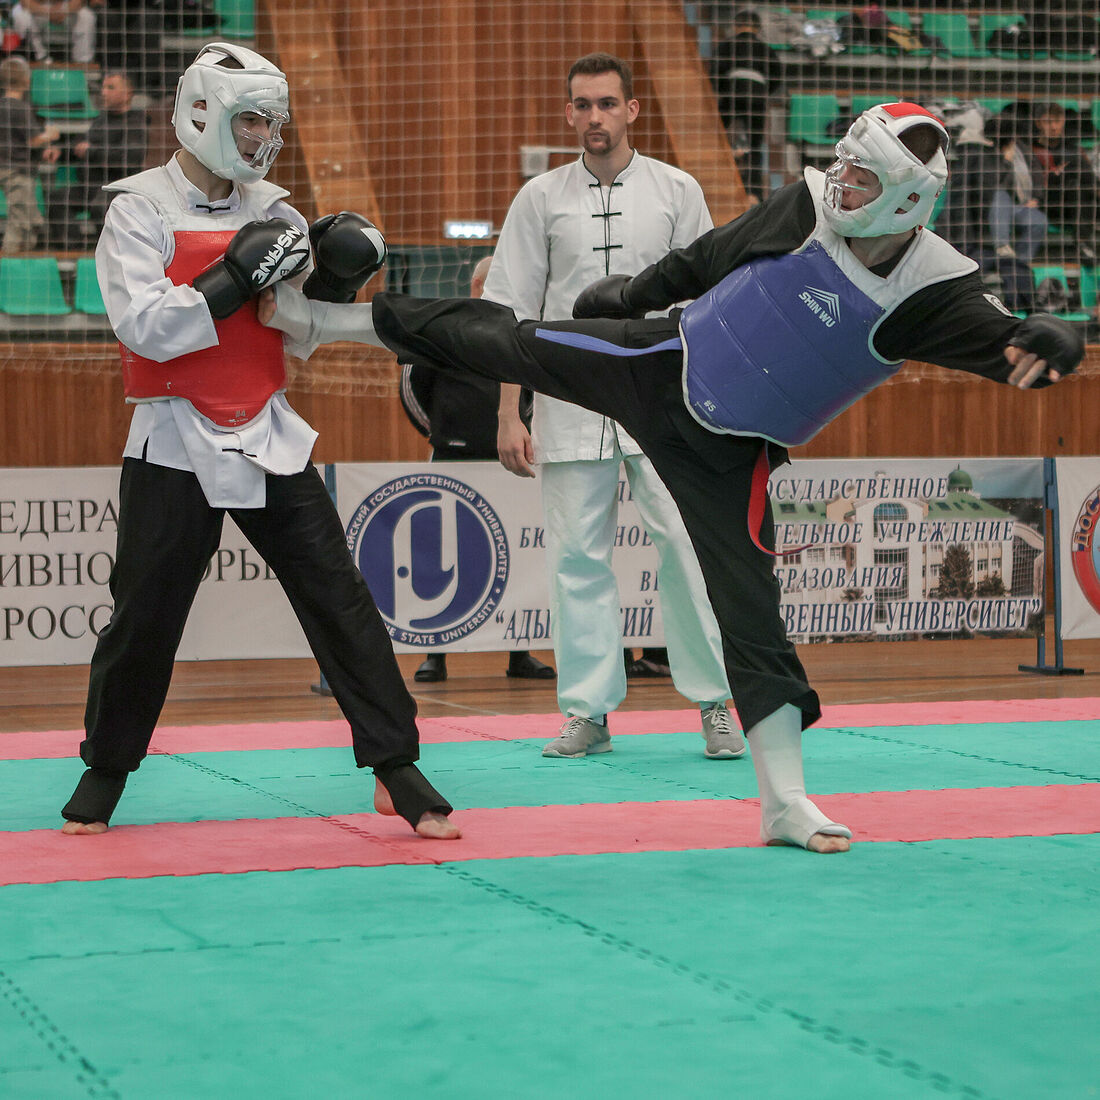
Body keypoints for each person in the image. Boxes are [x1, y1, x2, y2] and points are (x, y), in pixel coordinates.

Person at [259, 101, 1083, 852]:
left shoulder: (933, 290)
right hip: (662, 362)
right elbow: (708, 257)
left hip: (734, 456)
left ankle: (785, 802)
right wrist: (631, 294)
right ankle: (321, 320)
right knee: (505, 340)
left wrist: (1057, 338)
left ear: (905, 200)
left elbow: (1013, 340)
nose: (840, 179)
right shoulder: (805, 205)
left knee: (753, 619)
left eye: (860, 175)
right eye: (841, 160)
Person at [59, 42, 459, 841]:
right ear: (200, 112)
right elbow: (144, 326)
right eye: (250, 121)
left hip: (265, 431)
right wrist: (233, 278)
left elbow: (298, 329)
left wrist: (338, 281)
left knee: (338, 598)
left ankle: (397, 767)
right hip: (172, 437)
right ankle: (105, 769)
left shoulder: (275, 211)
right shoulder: (136, 209)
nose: (262, 139)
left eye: (273, 125)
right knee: (144, 616)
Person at [487, 53, 737, 762]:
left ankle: (716, 701)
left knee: (686, 549)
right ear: (568, 113)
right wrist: (509, 412)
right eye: (582, 104)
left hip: (664, 396)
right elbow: (508, 310)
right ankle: (587, 711)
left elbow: (706, 303)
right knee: (575, 559)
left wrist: (712, 405)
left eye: (606, 103)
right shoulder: (539, 197)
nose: (594, 116)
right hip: (567, 397)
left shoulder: (677, 190)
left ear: (632, 110)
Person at [399, 254, 555, 684]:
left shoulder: (520, 335)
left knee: (515, 553)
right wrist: (443, 434)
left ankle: (520, 653)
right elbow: (412, 390)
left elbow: (535, 395)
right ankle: (435, 656)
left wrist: (519, 433)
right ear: (477, 286)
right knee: (439, 552)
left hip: (511, 461)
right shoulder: (442, 332)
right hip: (452, 460)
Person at [45, 69, 147, 248]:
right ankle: (74, 250)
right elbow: (81, 144)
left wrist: (92, 151)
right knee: (57, 199)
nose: (103, 92)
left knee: (101, 206)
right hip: (90, 186)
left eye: (110, 88)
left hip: (117, 186)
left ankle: (112, 251)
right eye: (103, 87)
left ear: (127, 94)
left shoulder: (136, 122)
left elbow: (129, 158)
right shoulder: (102, 119)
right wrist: (61, 151)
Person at [709, 9, 781, 202]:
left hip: (731, 95)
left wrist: (724, 90)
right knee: (755, 146)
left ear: (736, 26)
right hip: (756, 98)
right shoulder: (766, 49)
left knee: (719, 139)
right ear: (758, 28)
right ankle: (753, 193)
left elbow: (715, 72)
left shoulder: (727, 45)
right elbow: (776, 77)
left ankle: (716, 183)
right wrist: (762, 92)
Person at [1017, 101, 1100, 263]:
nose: (1054, 127)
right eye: (1048, 122)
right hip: (1045, 204)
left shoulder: (1073, 149)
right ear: (1038, 123)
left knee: (1078, 183)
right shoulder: (1029, 150)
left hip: (1074, 204)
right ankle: (1083, 243)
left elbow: (1088, 179)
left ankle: (1084, 243)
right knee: (1076, 179)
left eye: (1057, 121)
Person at [0, 55, 59, 251]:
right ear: (26, 81)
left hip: (8, 169)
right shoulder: (21, 108)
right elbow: (32, 141)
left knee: (31, 219)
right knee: (19, 221)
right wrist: (50, 135)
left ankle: (24, 257)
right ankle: (9, 261)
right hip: (18, 172)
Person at [10, 0, 96, 64]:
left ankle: (83, 61)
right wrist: (48, 12)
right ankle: (40, 57)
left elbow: (79, 1)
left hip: (65, 8)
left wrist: (64, 11)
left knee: (86, 16)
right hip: (39, 8)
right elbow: (25, 1)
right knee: (21, 15)